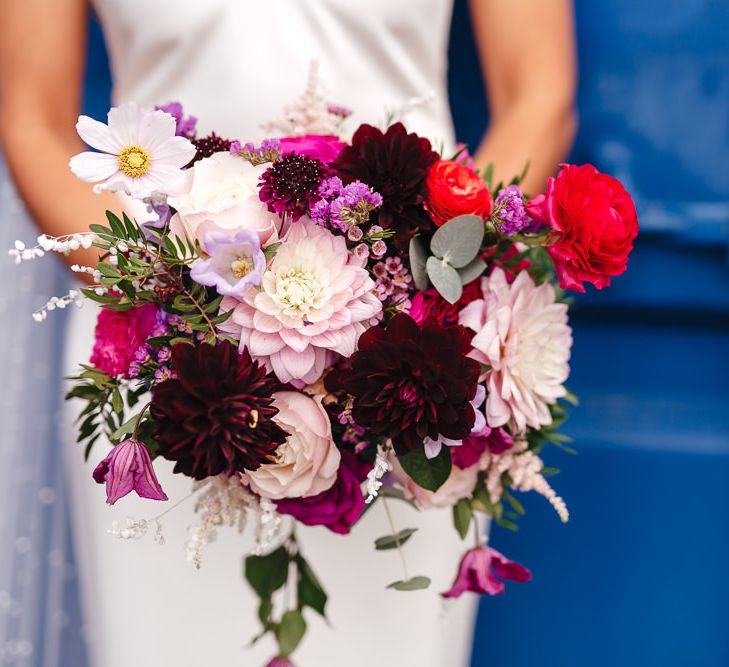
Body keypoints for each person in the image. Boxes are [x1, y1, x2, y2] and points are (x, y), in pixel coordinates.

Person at [0, 1, 576, 665]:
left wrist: (417, 283)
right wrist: (178, 297)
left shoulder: (409, 341)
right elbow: (32, 122)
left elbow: (538, 94)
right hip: (161, 361)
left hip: (406, 370)